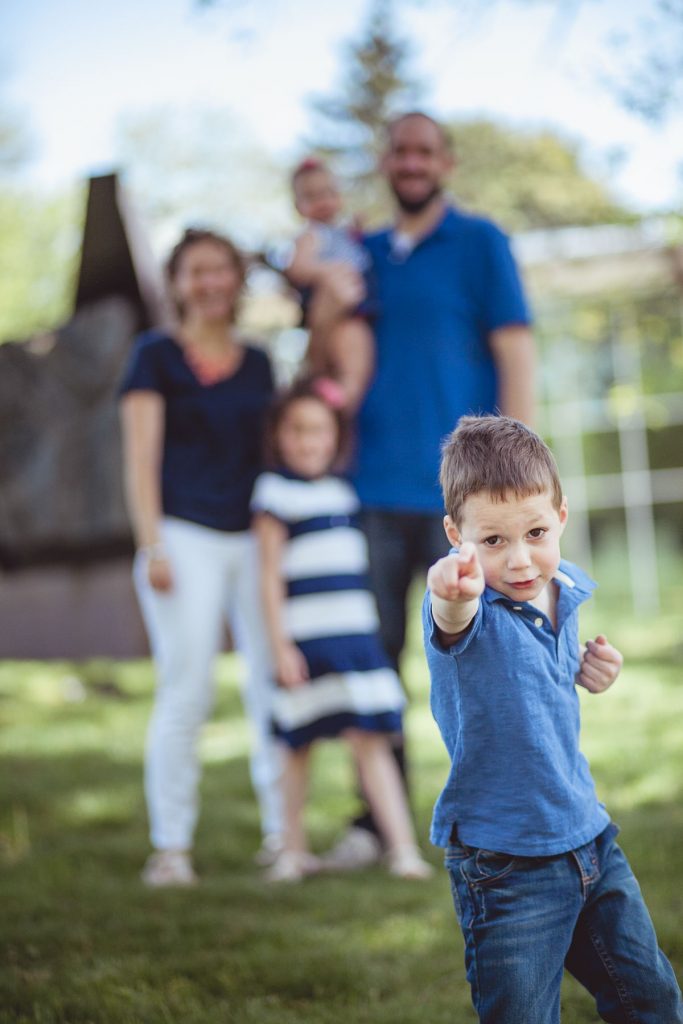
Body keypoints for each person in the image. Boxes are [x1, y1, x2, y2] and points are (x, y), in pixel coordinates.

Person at [326, 109, 537, 870]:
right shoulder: (361, 253)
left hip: (464, 495)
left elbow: (514, 353)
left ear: (444, 160)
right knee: (375, 661)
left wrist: (519, 480)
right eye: (398, 151)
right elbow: (326, 350)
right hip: (372, 490)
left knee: (487, 661)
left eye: (423, 150)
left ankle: (503, 816)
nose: (410, 162)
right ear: (383, 162)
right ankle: (375, 822)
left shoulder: (481, 243)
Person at [423, 414, 683, 1024]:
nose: (519, 560)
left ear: (561, 515)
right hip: (507, 862)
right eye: (491, 541)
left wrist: (595, 668)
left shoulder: (561, 587)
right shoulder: (469, 605)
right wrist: (449, 592)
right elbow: (451, 620)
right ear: (455, 534)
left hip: (589, 837)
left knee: (651, 1000)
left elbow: (542, 676)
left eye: (536, 532)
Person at [119, 227, 283, 887]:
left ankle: (283, 836)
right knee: (186, 688)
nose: (210, 282)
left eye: (222, 270)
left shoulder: (260, 363)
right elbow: (139, 458)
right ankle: (171, 848)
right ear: (177, 282)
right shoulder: (153, 356)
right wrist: (151, 543)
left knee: (270, 684)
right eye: (196, 271)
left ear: (237, 281)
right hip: (181, 536)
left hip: (252, 538)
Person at [251, 375, 432, 883]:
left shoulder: (347, 491)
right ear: (279, 435)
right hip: (305, 643)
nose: (309, 442)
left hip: (355, 642)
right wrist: (279, 645)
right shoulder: (273, 494)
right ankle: (291, 851)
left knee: (372, 743)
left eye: (319, 430)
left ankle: (401, 850)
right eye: (298, 430)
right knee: (297, 748)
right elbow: (266, 576)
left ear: (336, 436)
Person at [286, 158, 373, 412]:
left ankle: (341, 395)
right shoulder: (311, 235)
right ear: (298, 206)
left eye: (328, 193)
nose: (322, 202)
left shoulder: (341, 233)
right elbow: (296, 268)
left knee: (358, 356)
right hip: (339, 314)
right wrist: (327, 271)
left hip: (354, 310)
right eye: (311, 197)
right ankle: (341, 397)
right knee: (354, 355)